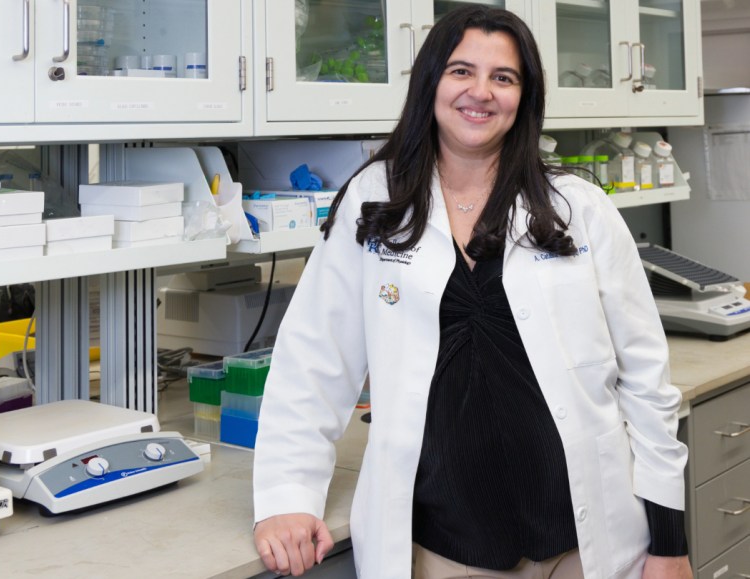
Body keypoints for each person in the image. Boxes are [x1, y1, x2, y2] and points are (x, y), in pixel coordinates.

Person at [252, 6, 693, 579]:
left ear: (523, 97)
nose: (480, 92)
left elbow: (646, 381)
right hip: (443, 549)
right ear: (431, 81)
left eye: (503, 78)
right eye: (461, 71)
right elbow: (313, 361)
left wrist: (669, 541)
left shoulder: (575, 208)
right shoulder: (375, 203)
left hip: (590, 540)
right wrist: (288, 495)